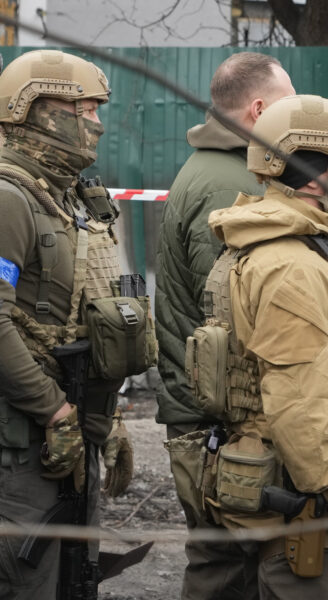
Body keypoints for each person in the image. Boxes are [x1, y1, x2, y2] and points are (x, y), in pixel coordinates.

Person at [199, 94, 328, 598]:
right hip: (302, 501)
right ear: (312, 172)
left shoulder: (277, 249)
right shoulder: (292, 269)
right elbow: (302, 415)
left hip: (290, 486)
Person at [0, 50, 144, 596]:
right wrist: (54, 410)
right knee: (29, 580)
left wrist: (109, 421)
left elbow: (84, 319)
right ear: (32, 108)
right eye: (83, 106)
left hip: (67, 434)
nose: (97, 122)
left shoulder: (65, 198)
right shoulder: (10, 197)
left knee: (70, 579)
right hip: (21, 448)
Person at [154, 52, 294, 599]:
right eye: (288, 106)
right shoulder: (230, 184)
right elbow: (235, 311)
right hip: (217, 413)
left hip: (211, 407)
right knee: (226, 568)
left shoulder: (227, 168)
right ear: (258, 111)